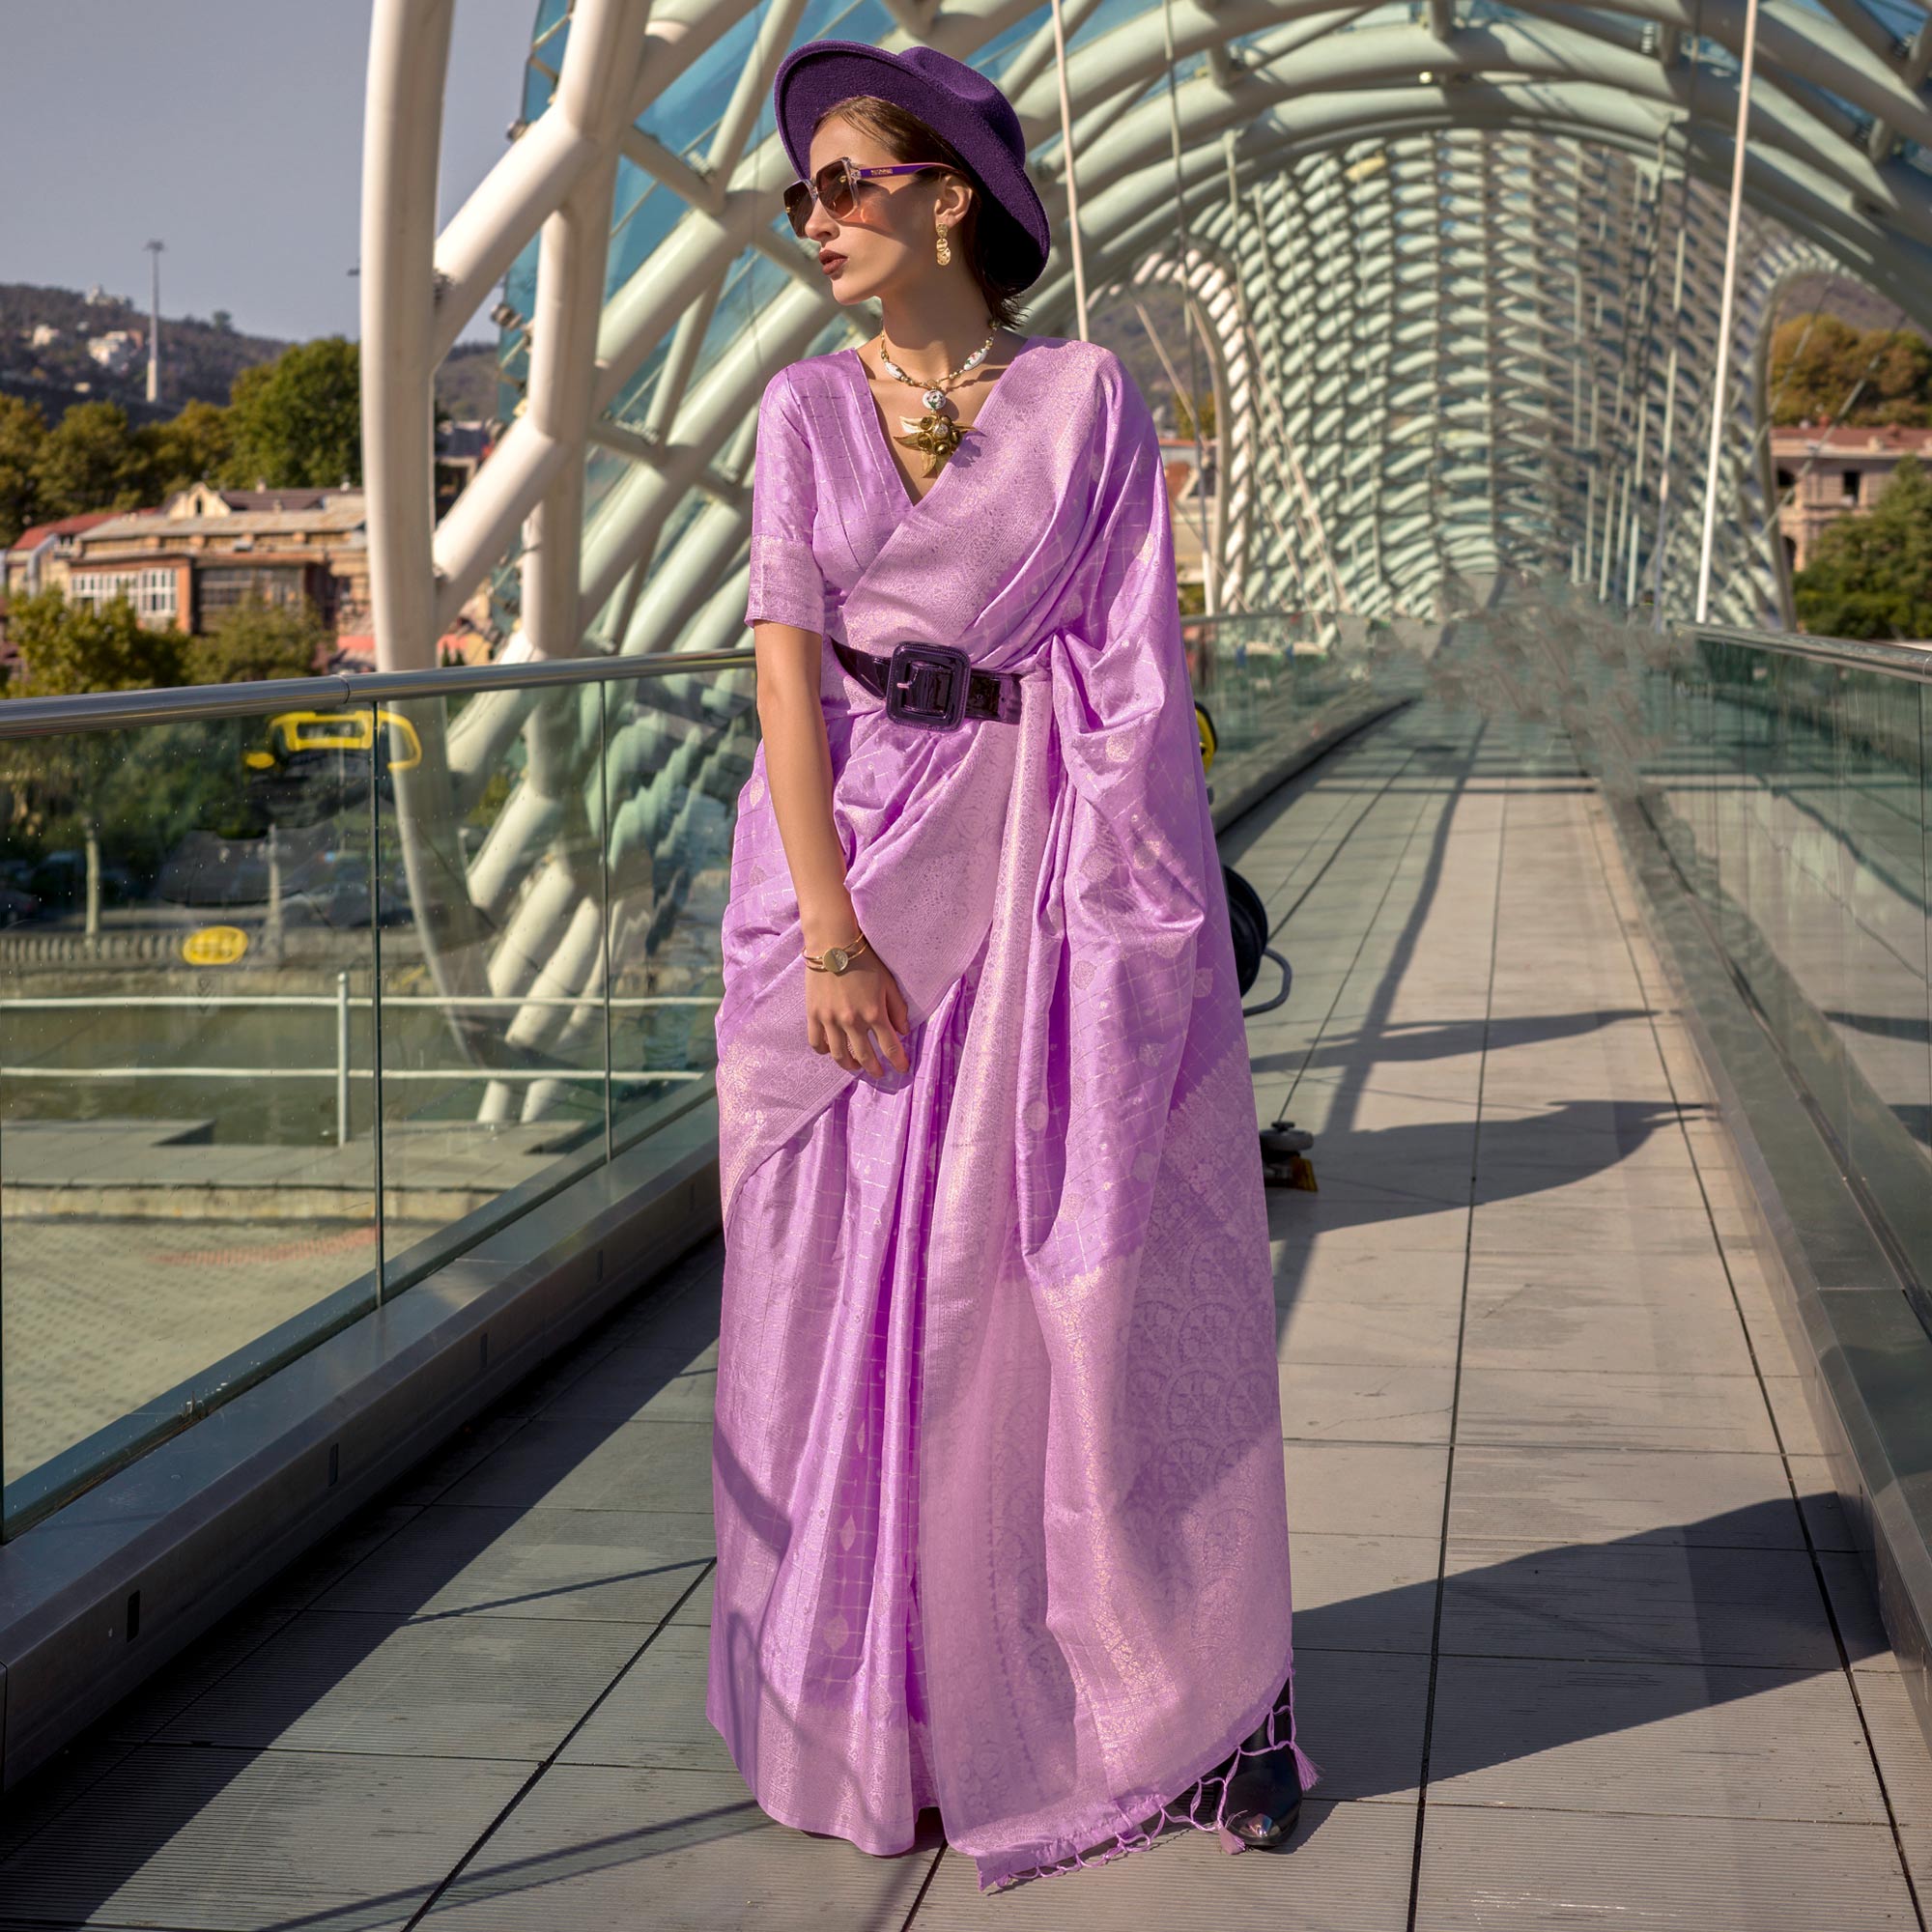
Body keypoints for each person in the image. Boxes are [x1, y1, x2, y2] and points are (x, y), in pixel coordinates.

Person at [705, 38, 1321, 1894]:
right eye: (797, 192)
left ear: (948, 194)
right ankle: (876, 1714)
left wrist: (1124, 943)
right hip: (852, 878)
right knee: (843, 1300)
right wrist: (830, 933)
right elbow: (784, 689)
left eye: (844, 182)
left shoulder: (1084, 403)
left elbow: (1137, 684)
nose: (811, 217)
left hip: (1045, 872)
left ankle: (1186, 1708)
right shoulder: (803, 413)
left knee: (1044, 1299)